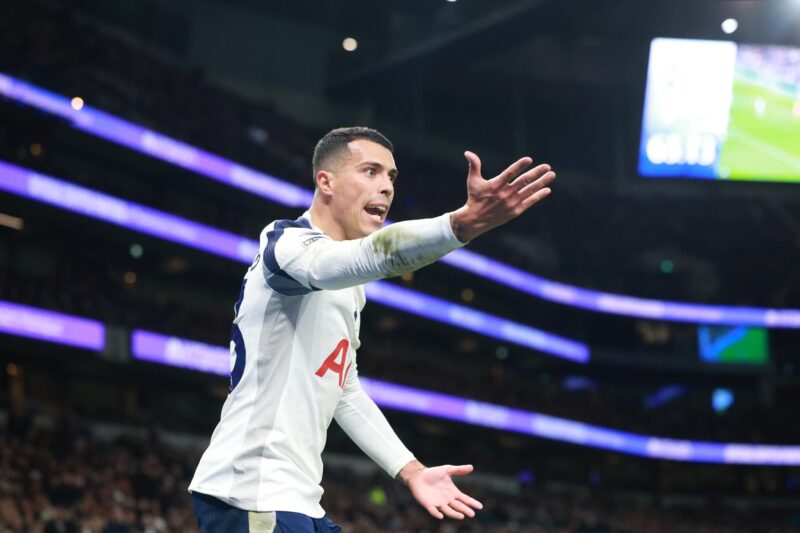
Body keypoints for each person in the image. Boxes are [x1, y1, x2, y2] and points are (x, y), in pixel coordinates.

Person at [189, 127, 555, 532]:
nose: (385, 187)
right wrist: (460, 225)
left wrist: (412, 471)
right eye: (370, 171)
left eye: (391, 177)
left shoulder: (349, 288)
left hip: (296, 499)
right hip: (252, 494)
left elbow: (343, 390)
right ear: (325, 181)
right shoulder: (286, 245)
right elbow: (369, 257)